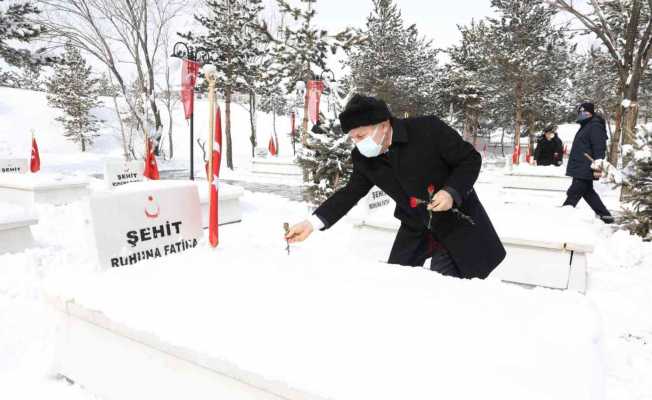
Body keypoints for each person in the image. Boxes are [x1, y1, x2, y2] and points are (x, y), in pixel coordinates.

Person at [285, 95, 506, 279]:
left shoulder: (428, 130)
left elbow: (469, 160)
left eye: (361, 135)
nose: (358, 143)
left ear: (383, 125)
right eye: (353, 138)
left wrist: (451, 192)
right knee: (396, 281)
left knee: (445, 287)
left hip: (457, 222)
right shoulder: (363, 157)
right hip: (415, 226)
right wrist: (311, 223)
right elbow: (351, 192)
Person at [563, 102, 614, 223]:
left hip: (586, 166)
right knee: (588, 193)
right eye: (580, 111)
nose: (582, 114)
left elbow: (599, 147)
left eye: (585, 112)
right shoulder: (586, 125)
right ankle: (606, 217)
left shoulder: (594, 125)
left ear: (590, 113)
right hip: (581, 165)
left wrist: (598, 166)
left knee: (574, 193)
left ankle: (563, 216)